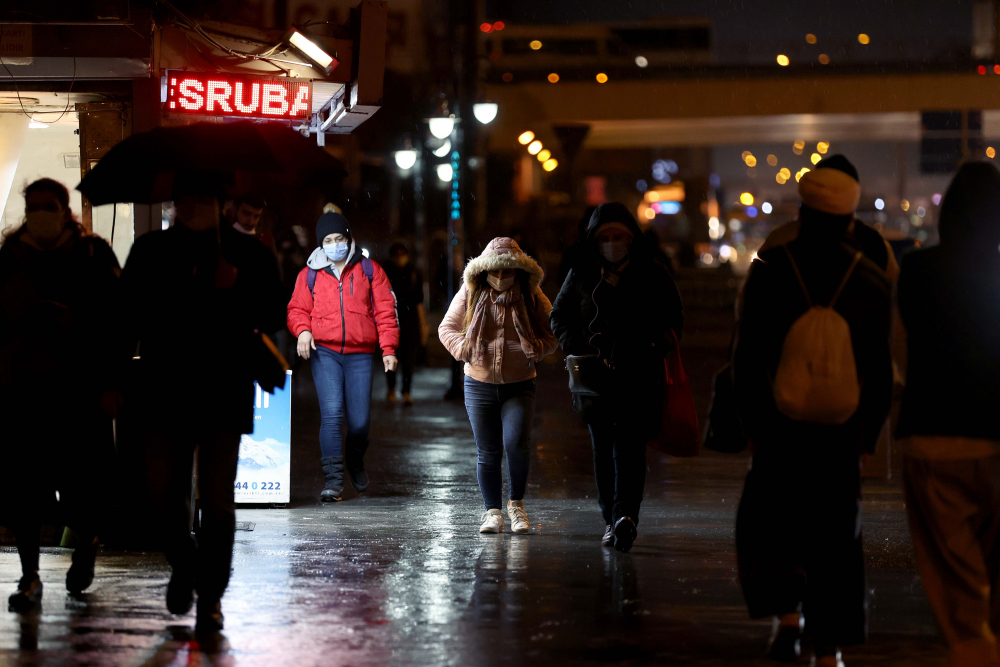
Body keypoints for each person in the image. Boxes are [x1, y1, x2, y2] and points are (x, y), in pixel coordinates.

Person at [732, 156, 893, 666]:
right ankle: (829, 645)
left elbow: (748, 355)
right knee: (837, 535)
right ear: (850, 219)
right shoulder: (869, 280)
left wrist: (753, 424)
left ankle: (785, 617)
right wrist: (868, 437)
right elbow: (879, 368)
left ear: (801, 214)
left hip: (780, 427)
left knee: (771, 521)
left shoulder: (770, 270)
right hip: (841, 431)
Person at [118, 172, 286, 632]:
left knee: (216, 499)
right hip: (163, 386)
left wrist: (235, 289)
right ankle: (185, 563)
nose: (195, 208)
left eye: (204, 200)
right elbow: (126, 315)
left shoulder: (246, 253)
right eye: (186, 200)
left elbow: (272, 314)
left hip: (222, 387)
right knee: (162, 495)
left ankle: (211, 595)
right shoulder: (151, 250)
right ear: (175, 204)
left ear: (220, 204)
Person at [897, 162, 1000, 667]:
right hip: (996, 437)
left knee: (952, 570)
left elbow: (907, 341)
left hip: (933, 434)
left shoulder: (917, 271)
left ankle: (974, 651)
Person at [0, 179, 120, 611]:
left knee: (82, 489)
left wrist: (111, 382)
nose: (41, 214)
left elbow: (116, 324)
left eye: (48, 206)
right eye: (33, 207)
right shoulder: (10, 258)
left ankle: (84, 548)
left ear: (65, 209)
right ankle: (29, 575)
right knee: (25, 491)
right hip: (24, 394)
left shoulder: (93, 256)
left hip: (80, 393)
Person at [550, 203, 683, 552]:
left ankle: (625, 517)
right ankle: (610, 516)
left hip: (638, 376)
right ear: (594, 241)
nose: (612, 244)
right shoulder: (581, 273)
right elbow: (559, 316)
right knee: (602, 450)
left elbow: (674, 319)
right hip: (594, 378)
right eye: (605, 238)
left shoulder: (652, 273)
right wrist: (578, 347)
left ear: (631, 238)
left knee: (629, 448)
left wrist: (652, 345)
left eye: (618, 237)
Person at [438, 238, 557, 535]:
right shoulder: (472, 291)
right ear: (485, 270)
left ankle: (516, 506)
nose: (502, 278)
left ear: (518, 271)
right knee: (488, 451)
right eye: (496, 272)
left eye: (508, 272)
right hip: (478, 384)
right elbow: (447, 328)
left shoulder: (531, 294)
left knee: (516, 443)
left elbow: (555, 330)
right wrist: (464, 350)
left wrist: (536, 349)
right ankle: (493, 512)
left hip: (520, 384)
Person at [287, 204, 400, 502]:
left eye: (339, 238)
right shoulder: (309, 275)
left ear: (349, 239)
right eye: (327, 240)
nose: (334, 245)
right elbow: (297, 309)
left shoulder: (369, 270)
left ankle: (354, 460)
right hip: (325, 353)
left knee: (360, 422)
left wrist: (388, 348)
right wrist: (303, 330)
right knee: (333, 414)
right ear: (320, 244)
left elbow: (386, 312)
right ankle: (334, 480)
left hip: (361, 354)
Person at [383, 242, 428, 406]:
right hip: (391, 320)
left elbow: (419, 302)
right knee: (391, 357)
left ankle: (406, 391)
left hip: (409, 322)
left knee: (408, 360)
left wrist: (423, 325)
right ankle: (391, 389)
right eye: (398, 256)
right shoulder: (386, 273)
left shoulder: (413, 272)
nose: (400, 259)